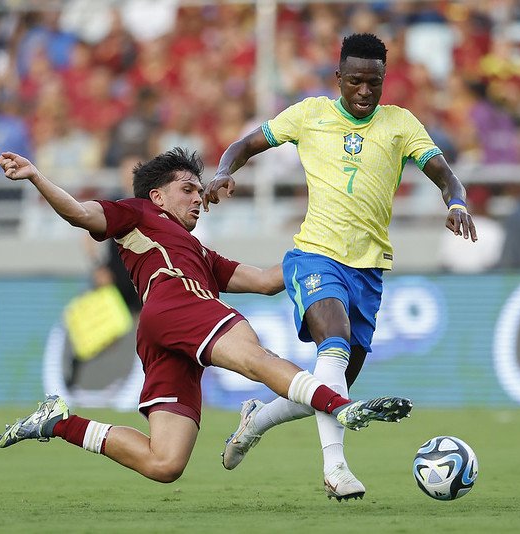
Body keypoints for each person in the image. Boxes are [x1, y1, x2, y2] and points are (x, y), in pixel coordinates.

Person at [0, 147, 412, 485]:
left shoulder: (200, 254)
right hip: (177, 305)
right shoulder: (138, 212)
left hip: (160, 334)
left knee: (165, 463)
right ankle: (341, 407)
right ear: (157, 196)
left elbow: (268, 280)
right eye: (188, 189)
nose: (199, 198)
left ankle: (57, 423)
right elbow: (80, 213)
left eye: (199, 191)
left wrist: (317, 249)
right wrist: (36, 177)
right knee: (255, 359)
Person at [202, 33, 476, 501]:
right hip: (315, 255)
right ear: (339, 80)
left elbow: (444, 174)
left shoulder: (400, 124)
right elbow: (246, 144)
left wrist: (456, 202)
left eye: (374, 83)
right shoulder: (309, 115)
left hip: (368, 270)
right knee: (334, 344)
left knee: (330, 391)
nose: (365, 92)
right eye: (355, 82)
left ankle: (256, 419)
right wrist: (225, 170)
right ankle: (337, 470)